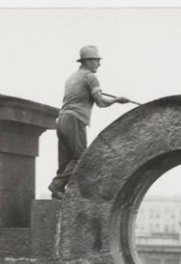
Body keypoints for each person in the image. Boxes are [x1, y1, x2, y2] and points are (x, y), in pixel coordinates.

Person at [48, 45, 129, 199]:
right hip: (75, 119)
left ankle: (57, 193)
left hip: (62, 119)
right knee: (80, 159)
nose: (99, 64)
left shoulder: (72, 77)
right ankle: (57, 185)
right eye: (97, 60)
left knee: (65, 161)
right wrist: (117, 100)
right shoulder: (90, 77)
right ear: (88, 61)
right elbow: (100, 102)